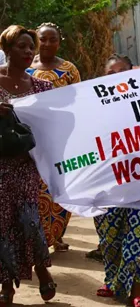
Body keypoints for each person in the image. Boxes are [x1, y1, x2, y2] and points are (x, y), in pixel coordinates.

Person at [0, 25, 57, 305]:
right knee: (2, 225)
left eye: (30, 47)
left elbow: (53, 125)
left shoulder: (42, 88)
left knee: (28, 221)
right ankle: (6, 285)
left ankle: (42, 269)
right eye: (21, 46)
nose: (27, 51)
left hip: (26, 167)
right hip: (0, 166)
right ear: (6, 49)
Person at [94, 53, 140, 307]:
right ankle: (112, 279)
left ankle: (136, 290)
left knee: (138, 238)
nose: (117, 77)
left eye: (123, 72)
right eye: (111, 73)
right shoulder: (92, 107)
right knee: (110, 239)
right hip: (106, 184)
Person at [26, 22, 81, 253]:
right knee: (36, 191)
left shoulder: (69, 70)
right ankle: (37, 239)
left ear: (60, 42)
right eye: (43, 39)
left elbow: (79, 103)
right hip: (31, 142)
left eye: (52, 39)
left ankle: (56, 234)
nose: (47, 44)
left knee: (59, 188)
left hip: (62, 141)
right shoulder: (25, 66)